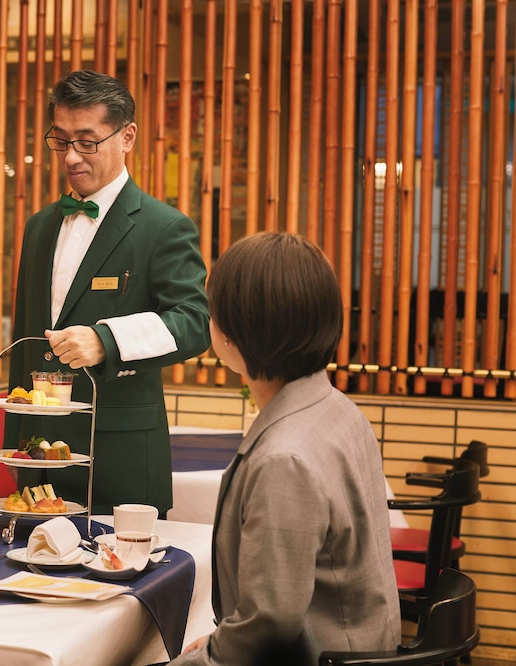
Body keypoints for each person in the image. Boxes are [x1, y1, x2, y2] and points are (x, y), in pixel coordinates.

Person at [171, 232, 400, 664]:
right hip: (359, 643)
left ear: (234, 333)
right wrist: (220, 641)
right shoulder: (336, 407)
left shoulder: (284, 459)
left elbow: (268, 623)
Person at [6, 69, 210, 515]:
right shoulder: (39, 227)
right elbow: (25, 342)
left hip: (120, 462)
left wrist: (106, 340)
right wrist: (15, 450)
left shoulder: (163, 227)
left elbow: (194, 323)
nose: (71, 157)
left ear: (127, 137)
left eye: (87, 141)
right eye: (61, 140)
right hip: (40, 463)